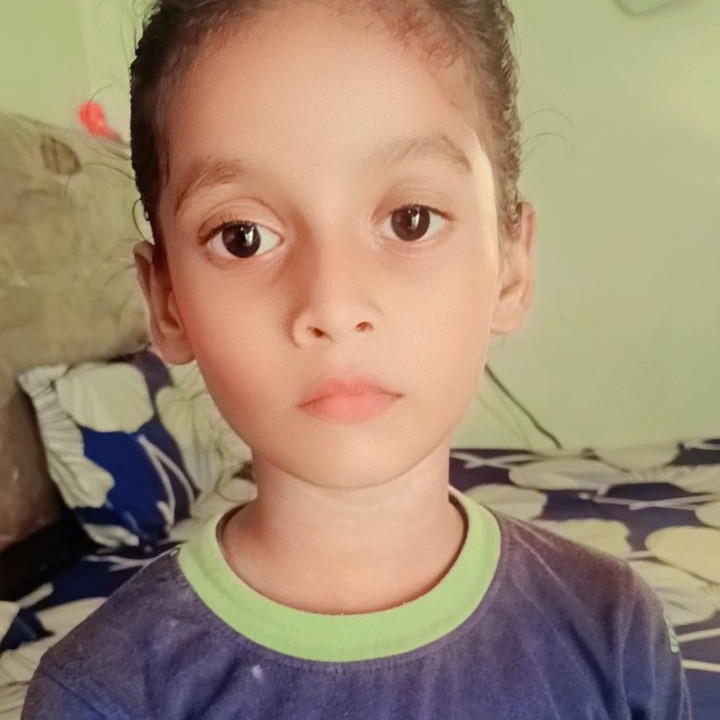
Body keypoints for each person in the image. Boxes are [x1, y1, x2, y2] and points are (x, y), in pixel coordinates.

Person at [22, 1, 691, 718]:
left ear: (510, 266)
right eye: (243, 236)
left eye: (410, 221)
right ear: (167, 302)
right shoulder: (105, 695)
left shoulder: (614, 630)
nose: (334, 305)